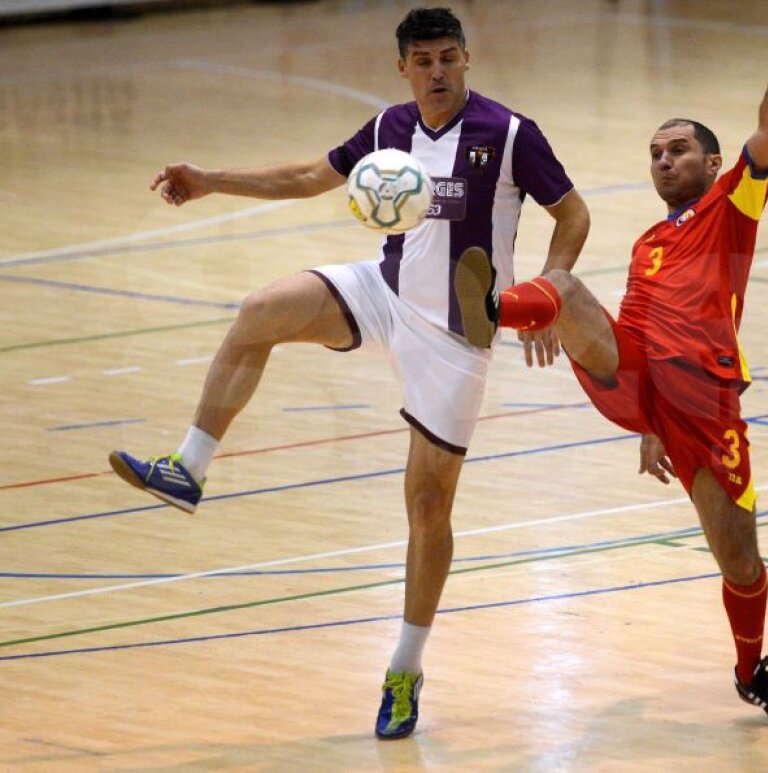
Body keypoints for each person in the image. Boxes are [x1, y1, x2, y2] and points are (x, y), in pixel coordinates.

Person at [107, 7, 589, 740]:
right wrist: (210, 179)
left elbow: (573, 214)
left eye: (448, 57)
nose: (437, 71)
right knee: (259, 311)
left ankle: (404, 667)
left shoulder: (510, 134)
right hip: (385, 293)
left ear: (468, 59)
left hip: (456, 335)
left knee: (427, 506)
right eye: (423, 60)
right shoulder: (390, 127)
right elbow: (309, 175)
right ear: (403, 68)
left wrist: (549, 291)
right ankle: (188, 467)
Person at [454, 42, 768, 726]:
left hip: (706, 404)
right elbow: (628, 328)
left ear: (712, 163)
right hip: (636, 376)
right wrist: (644, 416)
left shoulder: (733, 204)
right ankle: (494, 307)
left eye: (679, 150)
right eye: (656, 153)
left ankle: (751, 672)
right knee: (565, 286)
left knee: (741, 562)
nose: (664, 160)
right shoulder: (646, 245)